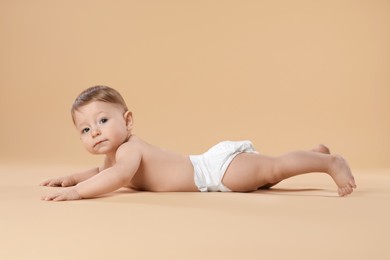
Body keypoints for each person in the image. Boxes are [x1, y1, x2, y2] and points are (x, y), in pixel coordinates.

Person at [40, 86, 357, 201]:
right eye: (84, 129)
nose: (94, 132)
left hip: (217, 173)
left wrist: (77, 192)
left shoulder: (128, 150)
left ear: (128, 120)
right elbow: (101, 171)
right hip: (215, 169)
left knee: (272, 170)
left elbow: (118, 177)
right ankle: (313, 156)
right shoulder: (114, 158)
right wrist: (71, 178)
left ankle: (330, 163)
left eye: (102, 121)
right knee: (269, 176)